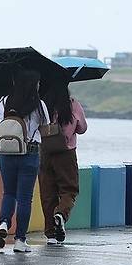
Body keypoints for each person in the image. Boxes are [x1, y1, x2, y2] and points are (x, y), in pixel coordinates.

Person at [0, 69, 49, 253]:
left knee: (9, 193)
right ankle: (19, 240)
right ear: (34, 84)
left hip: (7, 154)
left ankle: (3, 223)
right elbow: (46, 132)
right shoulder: (39, 105)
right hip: (30, 154)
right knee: (25, 198)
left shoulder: (4, 101)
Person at [39, 81, 88, 245]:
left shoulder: (42, 104)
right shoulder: (72, 104)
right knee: (69, 189)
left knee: (47, 192)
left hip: (45, 152)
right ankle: (61, 213)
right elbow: (82, 128)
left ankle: (51, 234)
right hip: (66, 152)